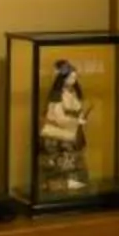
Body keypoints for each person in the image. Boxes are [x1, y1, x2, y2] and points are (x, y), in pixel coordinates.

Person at [37, 61, 91, 195]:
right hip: (59, 134)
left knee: (75, 160)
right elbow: (58, 118)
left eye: (75, 77)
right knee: (60, 162)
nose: (74, 80)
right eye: (71, 77)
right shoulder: (56, 96)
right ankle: (56, 185)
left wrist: (81, 117)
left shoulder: (72, 93)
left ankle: (72, 184)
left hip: (71, 131)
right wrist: (76, 121)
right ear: (62, 78)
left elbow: (77, 109)